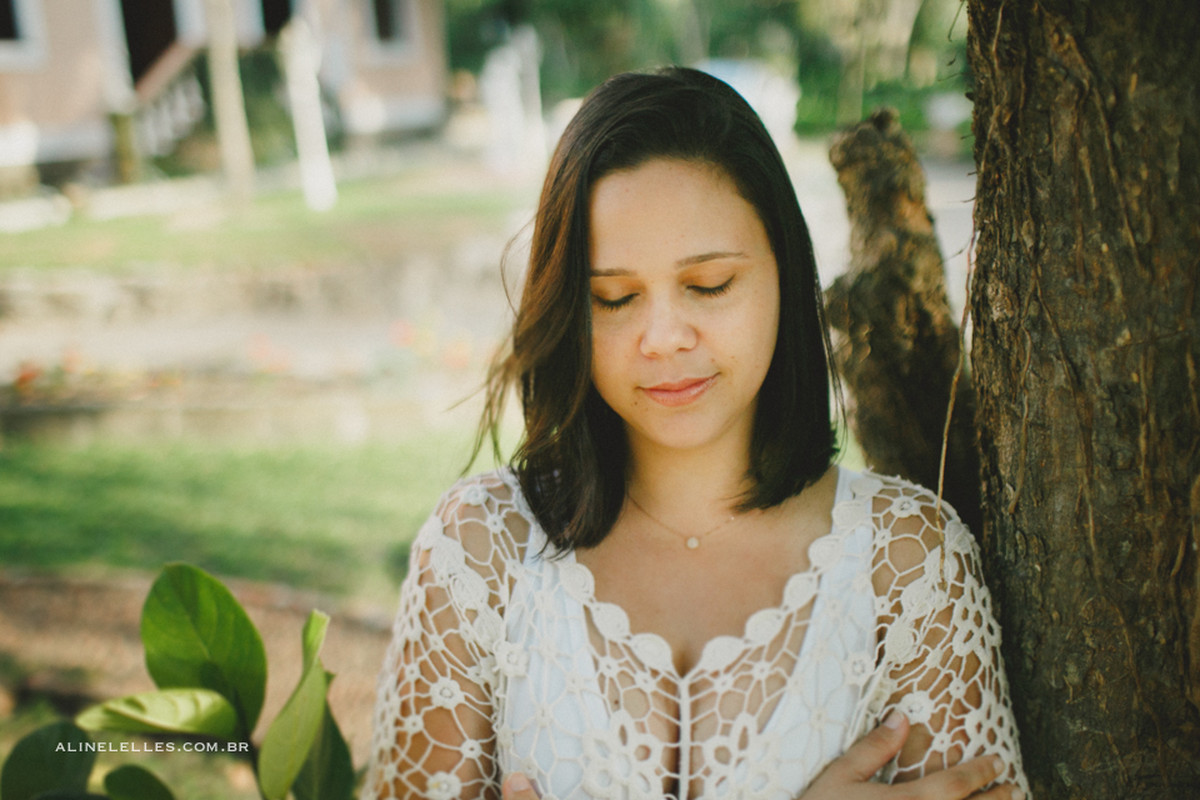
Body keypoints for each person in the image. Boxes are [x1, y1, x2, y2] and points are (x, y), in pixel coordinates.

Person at [360, 67, 1029, 800]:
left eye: (708, 285)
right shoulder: (478, 555)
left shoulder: (908, 564)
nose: (663, 337)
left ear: (785, 272)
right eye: (615, 298)